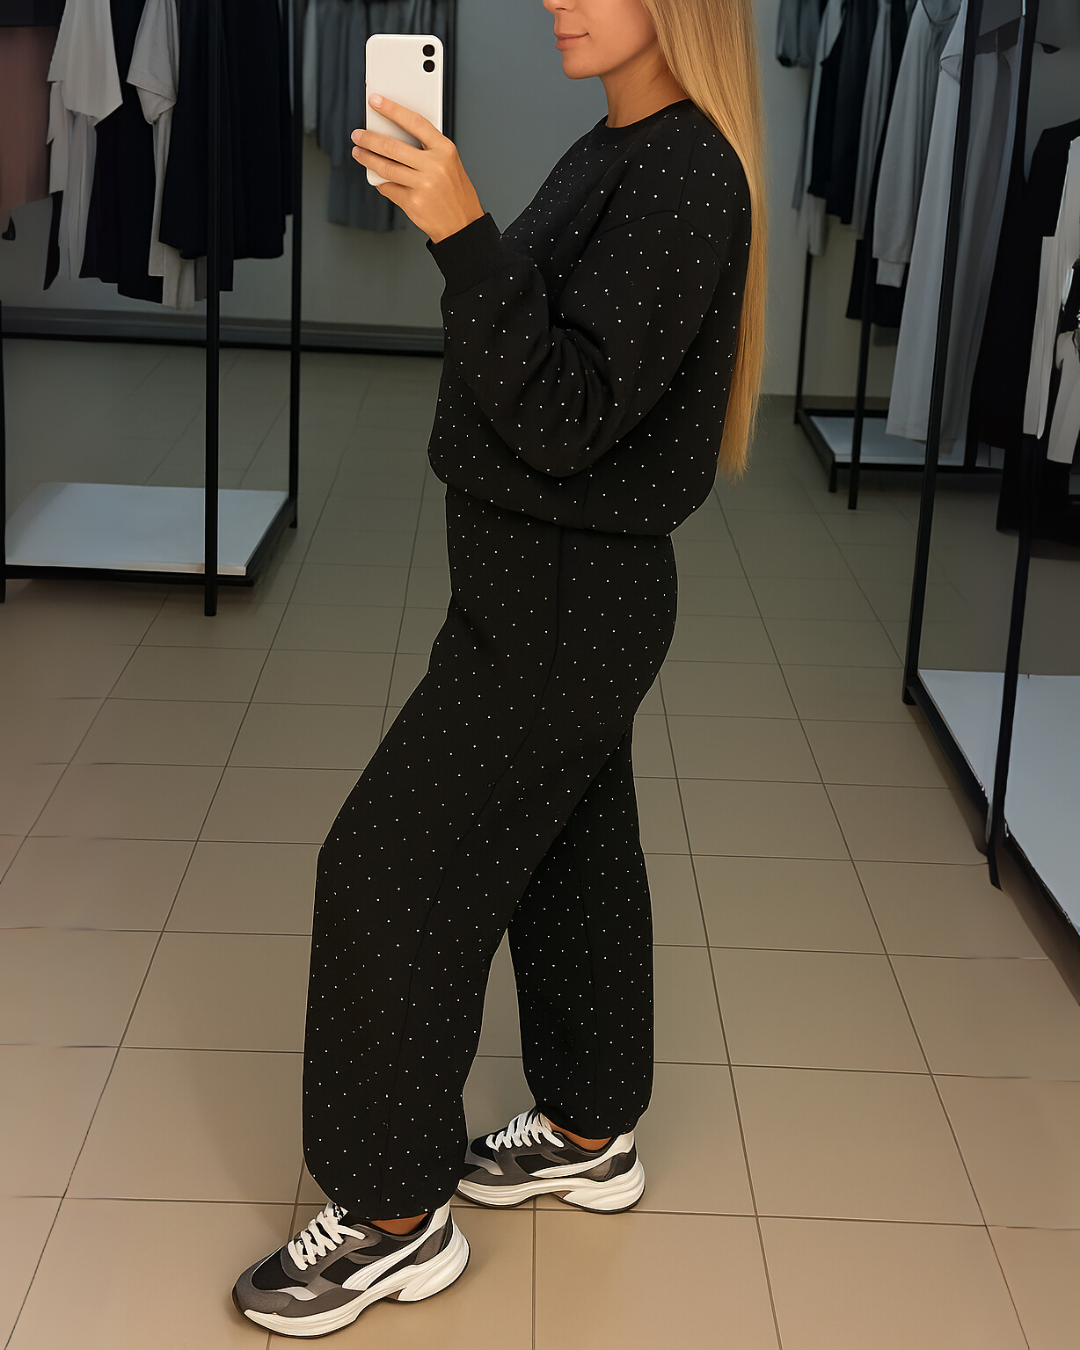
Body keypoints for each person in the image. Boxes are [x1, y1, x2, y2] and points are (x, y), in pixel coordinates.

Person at [232, 0, 765, 1335]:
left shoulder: (684, 172)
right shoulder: (622, 146)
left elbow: (570, 413)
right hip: (546, 588)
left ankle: (391, 1216)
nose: (558, 1)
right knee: (573, 850)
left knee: (384, 866)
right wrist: (459, 232)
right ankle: (590, 1125)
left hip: (564, 601)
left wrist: (463, 233)